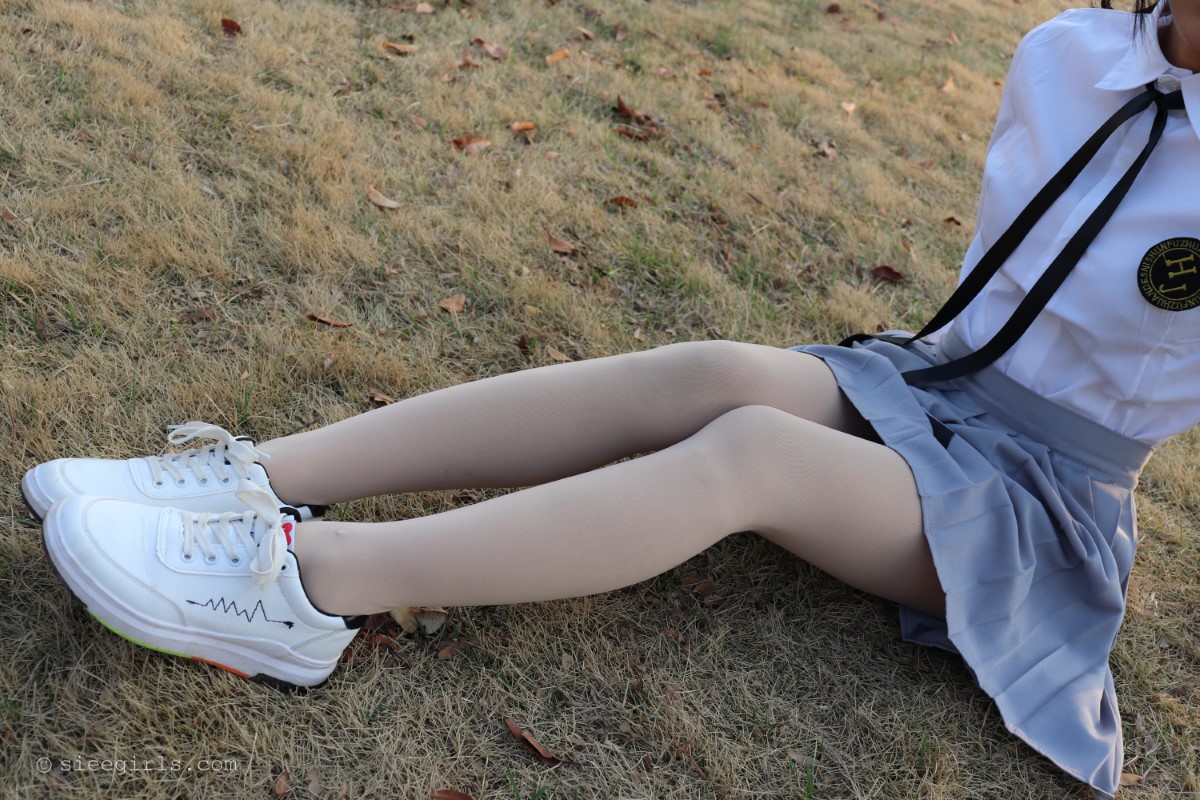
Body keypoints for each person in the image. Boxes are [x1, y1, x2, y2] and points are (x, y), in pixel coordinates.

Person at [21, 0, 1198, 796]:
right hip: (929, 382)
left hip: (1047, 499)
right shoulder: (1067, 51)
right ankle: (261, 476)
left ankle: (303, 589)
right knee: (715, 371)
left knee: (756, 449)